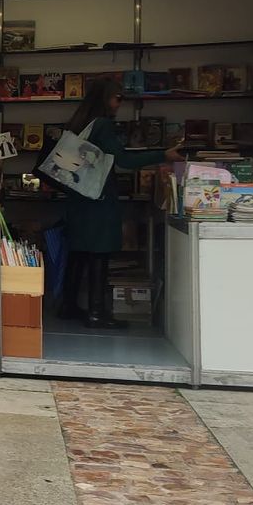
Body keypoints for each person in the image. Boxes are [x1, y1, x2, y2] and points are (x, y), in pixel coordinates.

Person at [57, 78, 184, 327]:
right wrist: (162, 154)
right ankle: (97, 312)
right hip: (98, 199)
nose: (119, 104)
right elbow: (123, 160)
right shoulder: (102, 125)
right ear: (106, 98)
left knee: (79, 252)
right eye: (118, 98)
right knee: (99, 253)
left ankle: (68, 306)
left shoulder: (79, 123)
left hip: (77, 198)